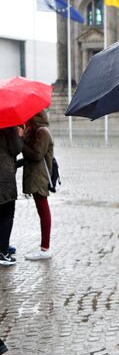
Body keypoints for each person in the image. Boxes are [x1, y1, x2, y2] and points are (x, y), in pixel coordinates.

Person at [21, 110, 55, 260]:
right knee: (42, 210)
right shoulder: (35, 132)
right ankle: (44, 247)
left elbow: (36, 155)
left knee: (43, 210)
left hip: (40, 178)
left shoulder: (42, 132)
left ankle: (45, 248)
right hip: (35, 176)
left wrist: (20, 141)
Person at [0, 125, 24, 266]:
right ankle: (3, 252)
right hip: (4, 178)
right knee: (7, 215)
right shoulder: (8, 127)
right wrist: (19, 134)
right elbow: (16, 148)